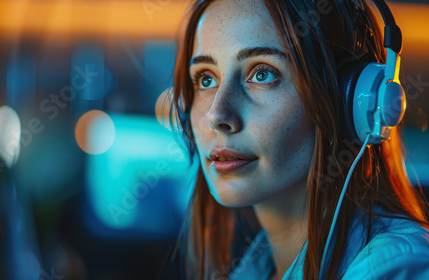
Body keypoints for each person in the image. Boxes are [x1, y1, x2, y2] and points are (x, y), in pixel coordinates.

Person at [169, 0, 429, 279]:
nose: (217, 114)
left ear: (347, 101)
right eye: (206, 79)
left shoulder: (395, 268)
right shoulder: (254, 268)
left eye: (262, 74)